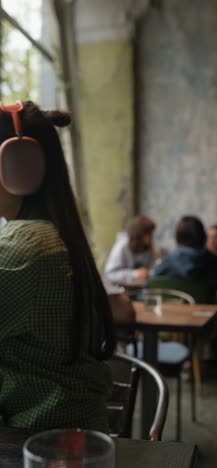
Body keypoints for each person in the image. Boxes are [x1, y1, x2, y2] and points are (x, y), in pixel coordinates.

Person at [0, 101, 115, 432]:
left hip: (40, 446)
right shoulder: (52, 234)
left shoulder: (23, 251)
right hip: (72, 437)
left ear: (17, 167)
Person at [152, 216, 217, 299]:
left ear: (178, 236)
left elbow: (152, 285)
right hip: (204, 309)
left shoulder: (169, 261)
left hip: (171, 309)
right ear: (203, 236)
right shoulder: (213, 261)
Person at [104, 215, 157, 285]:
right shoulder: (122, 246)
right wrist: (136, 274)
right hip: (124, 289)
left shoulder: (149, 248)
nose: (151, 237)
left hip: (142, 289)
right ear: (140, 234)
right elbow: (110, 274)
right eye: (149, 234)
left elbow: (153, 269)